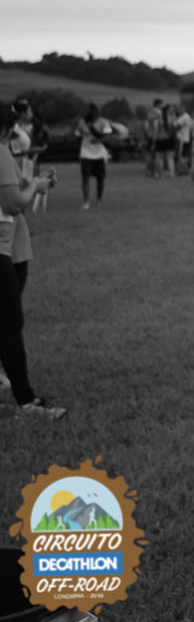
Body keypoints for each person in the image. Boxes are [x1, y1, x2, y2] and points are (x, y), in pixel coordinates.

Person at [0, 102, 64, 418]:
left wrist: (32, 183)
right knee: (10, 324)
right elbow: (12, 204)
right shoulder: (0, 153)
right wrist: (36, 186)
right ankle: (27, 402)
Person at [77, 104, 113, 210]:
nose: (90, 113)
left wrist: (99, 140)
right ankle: (86, 201)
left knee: (100, 178)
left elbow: (107, 136)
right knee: (85, 178)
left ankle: (99, 200)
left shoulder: (104, 122)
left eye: (92, 111)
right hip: (86, 153)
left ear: (96, 112)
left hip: (99, 154)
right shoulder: (82, 122)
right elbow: (78, 134)